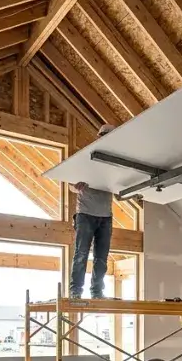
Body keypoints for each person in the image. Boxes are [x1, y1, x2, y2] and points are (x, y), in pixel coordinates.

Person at [68, 124, 117, 299]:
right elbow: (70, 182)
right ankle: (76, 291)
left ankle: (97, 292)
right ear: (98, 136)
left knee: (101, 258)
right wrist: (76, 186)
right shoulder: (86, 156)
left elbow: (119, 183)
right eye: (103, 135)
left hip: (105, 216)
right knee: (81, 254)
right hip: (86, 214)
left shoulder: (115, 161)